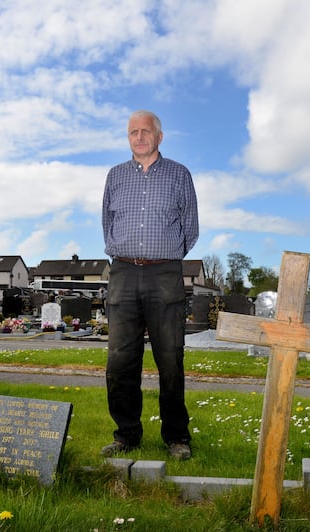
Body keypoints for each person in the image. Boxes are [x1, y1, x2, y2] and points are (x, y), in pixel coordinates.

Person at [101, 110, 199, 460]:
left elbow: (190, 228)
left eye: (146, 131)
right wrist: (126, 254)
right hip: (123, 274)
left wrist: (164, 255)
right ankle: (126, 435)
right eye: (133, 133)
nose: (139, 137)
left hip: (164, 275)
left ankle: (176, 437)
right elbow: (107, 224)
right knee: (120, 361)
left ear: (160, 136)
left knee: (170, 360)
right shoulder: (115, 177)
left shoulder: (179, 175)